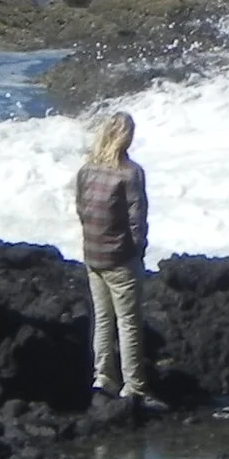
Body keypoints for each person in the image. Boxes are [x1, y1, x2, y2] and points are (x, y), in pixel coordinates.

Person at [74, 111, 152, 404]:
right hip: (120, 258)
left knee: (103, 318)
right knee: (128, 322)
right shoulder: (130, 173)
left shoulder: (87, 170)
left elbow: (81, 209)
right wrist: (138, 250)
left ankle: (103, 378)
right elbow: (137, 220)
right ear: (126, 137)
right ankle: (134, 387)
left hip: (92, 254)